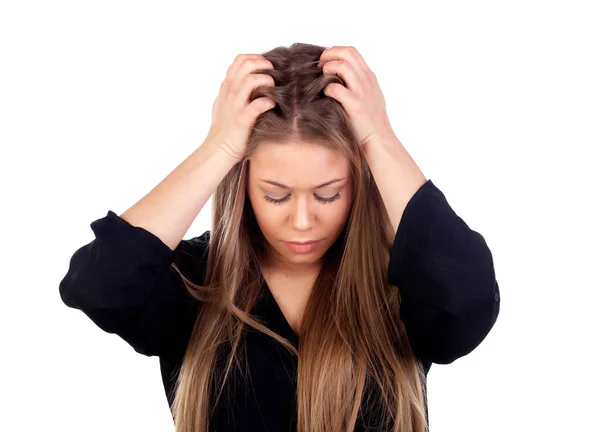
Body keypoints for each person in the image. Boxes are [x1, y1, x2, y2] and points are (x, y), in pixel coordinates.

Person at [59, 42, 500, 432]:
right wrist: (219, 148)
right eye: (276, 195)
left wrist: (378, 137)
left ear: (358, 182)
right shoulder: (194, 283)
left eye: (328, 195)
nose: (302, 221)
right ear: (243, 182)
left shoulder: (403, 281)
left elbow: (468, 302)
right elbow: (99, 286)